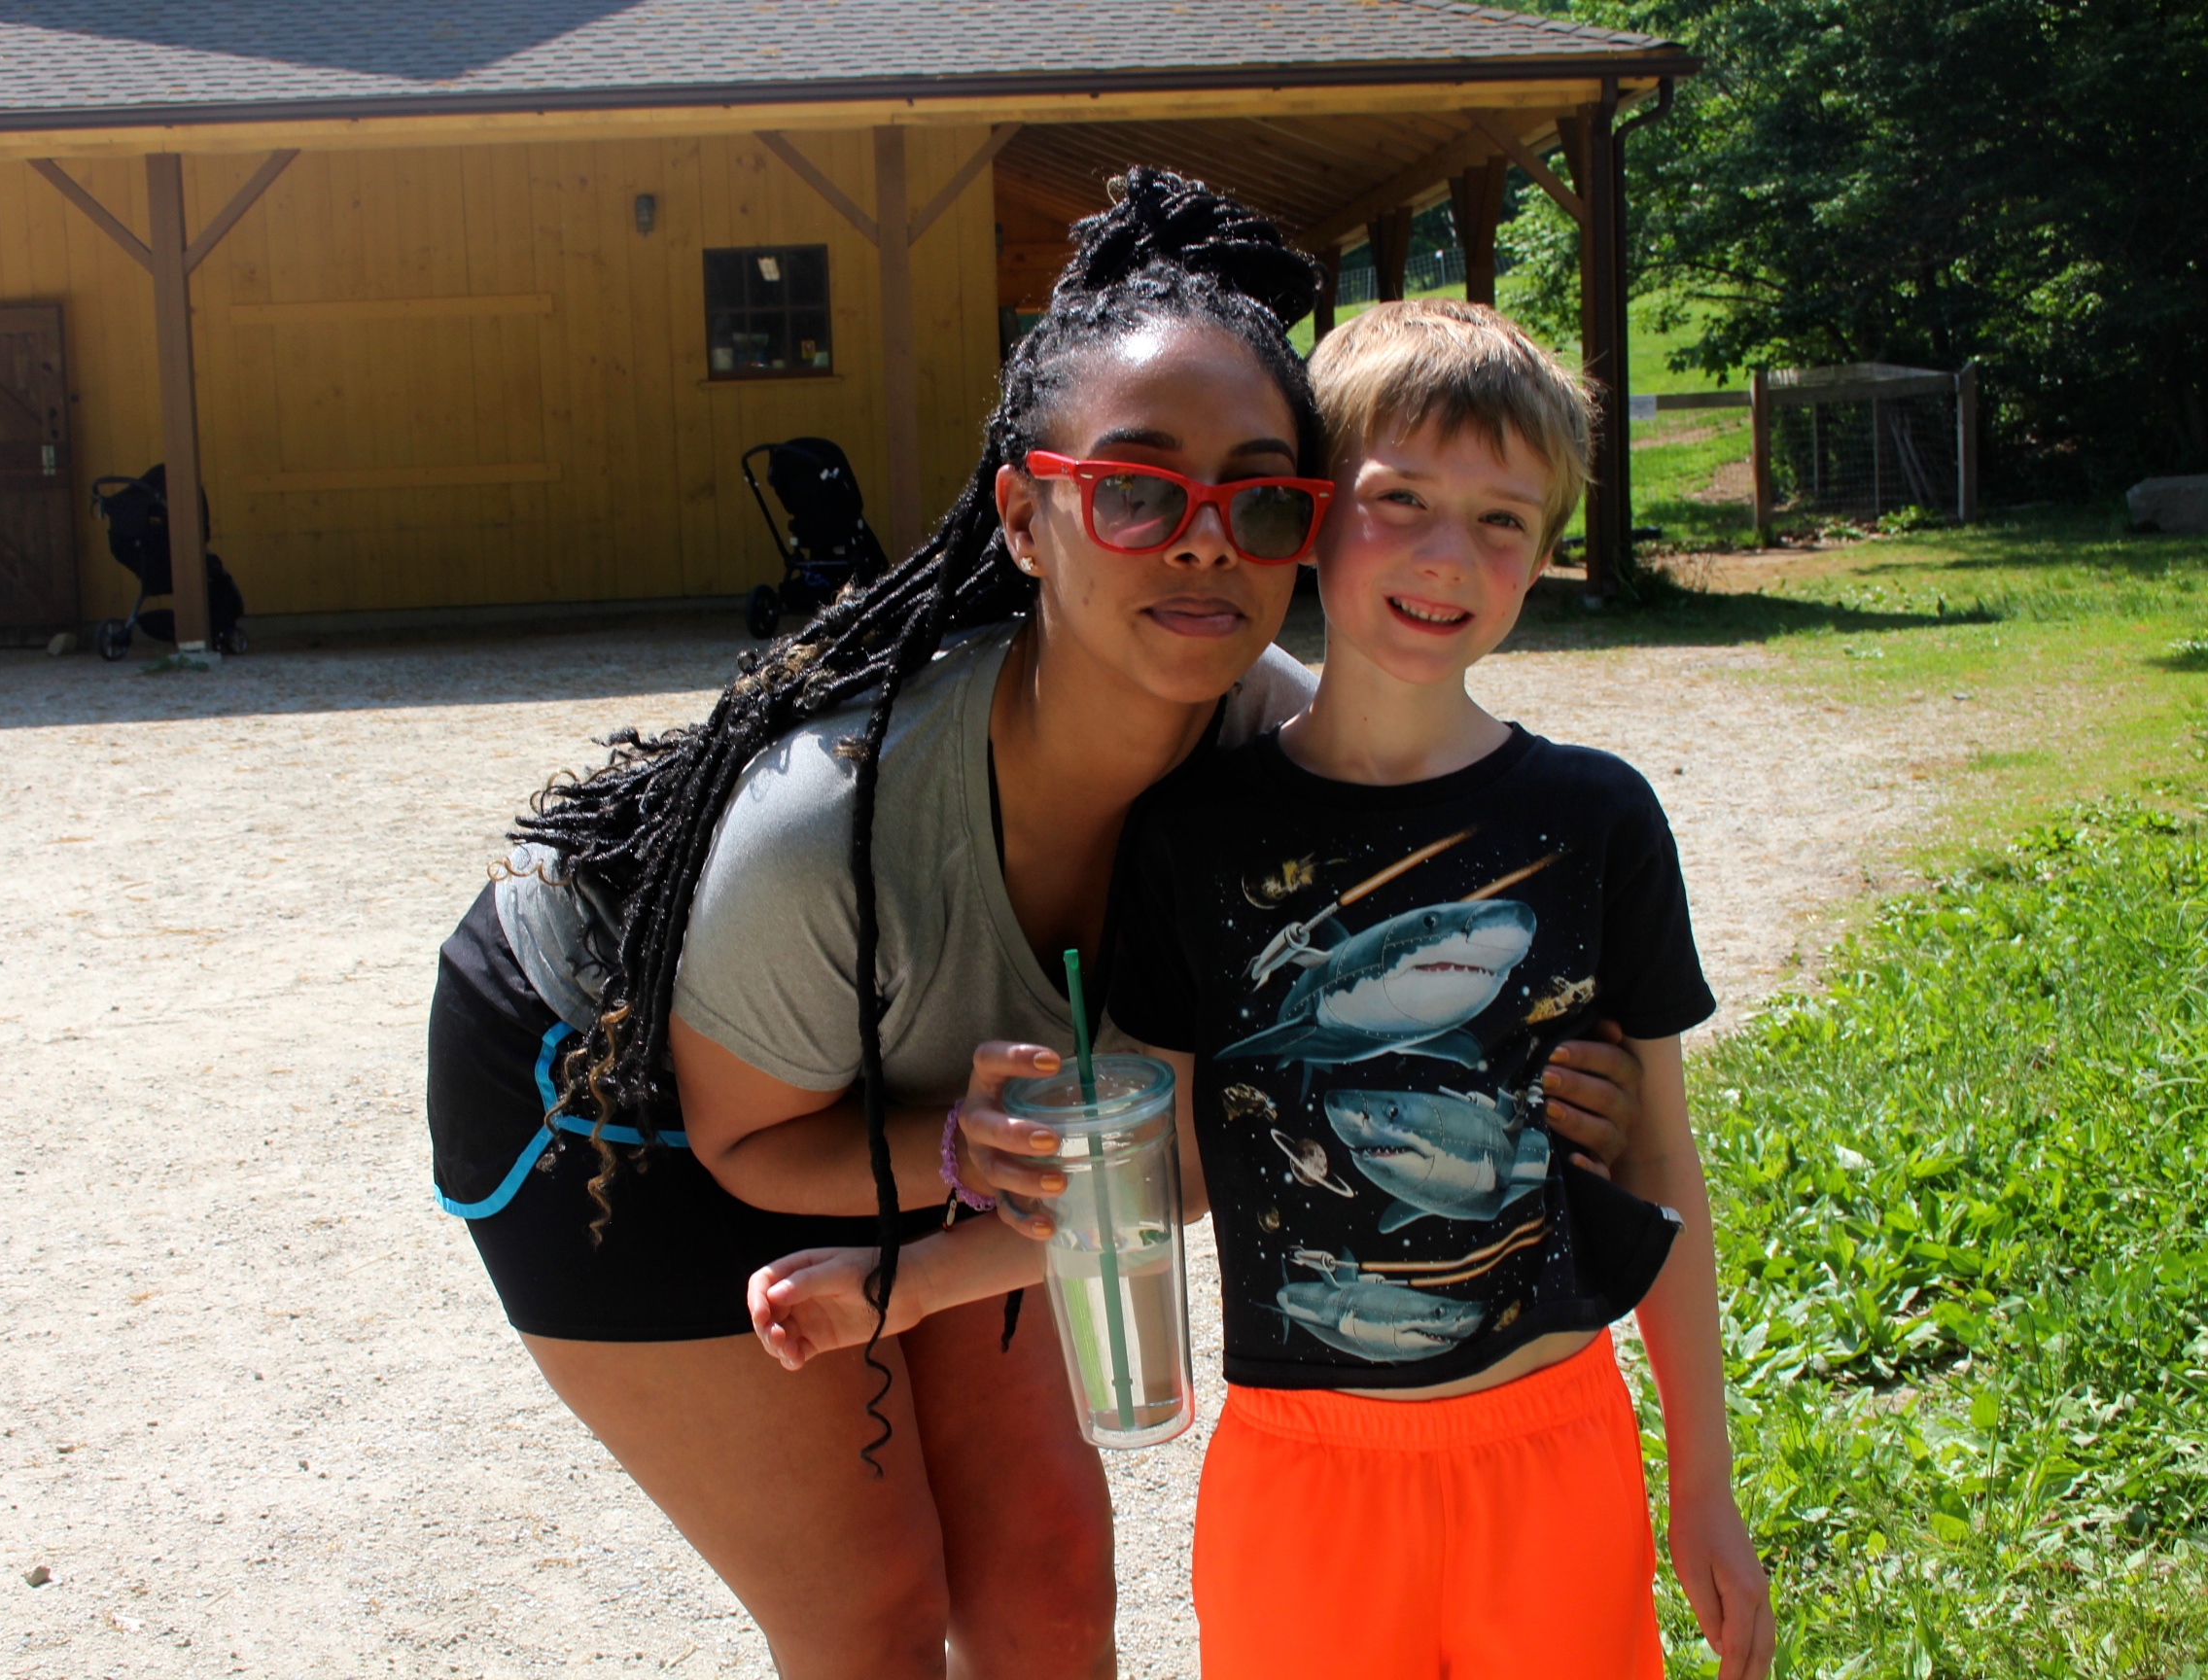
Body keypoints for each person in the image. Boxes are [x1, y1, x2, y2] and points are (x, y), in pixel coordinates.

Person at [427, 177, 1651, 1680]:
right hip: (627, 1090)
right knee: (872, 1603)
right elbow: (754, 1139)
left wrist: (1554, 1070)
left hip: (929, 1090)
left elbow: (1254, 1100)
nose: (1202, 542)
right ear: (1025, 516)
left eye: (1262, 497)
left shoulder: (1278, 770)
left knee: (1050, 1578)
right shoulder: (831, 821)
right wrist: (960, 1146)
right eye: (1136, 490)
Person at [751, 299, 1775, 1679]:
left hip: (1556, 1447)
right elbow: (1150, 1170)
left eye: (1502, 520)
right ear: (1309, 518)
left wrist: (1704, 1484)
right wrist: (911, 1284)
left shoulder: (1599, 819)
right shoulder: (1192, 835)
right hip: (1303, 1477)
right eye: (1400, 498)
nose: (1445, 554)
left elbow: (1660, 1159)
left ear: (1543, 556)